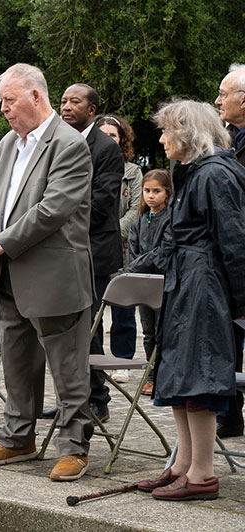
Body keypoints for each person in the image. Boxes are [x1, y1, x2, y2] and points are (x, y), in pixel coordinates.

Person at [0, 63, 94, 482]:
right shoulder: (7, 144)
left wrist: (0, 243)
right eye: (1, 101)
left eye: (10, 100)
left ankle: (74, 446)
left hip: (54, 275)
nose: (4, 109)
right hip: (7, 274)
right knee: (17, 362)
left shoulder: (69, 144)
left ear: (36, 96)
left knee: (67, 366)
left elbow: (53, 209)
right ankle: (19, 436)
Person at [137, 100, 245, 501]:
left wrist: (241, 302)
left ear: (187, 134)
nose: (162, 139)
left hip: (205, 286)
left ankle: (202, 474)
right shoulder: (190, 172)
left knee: (198, 375)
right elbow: (174, 238)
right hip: (186, 283)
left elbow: (234, 241)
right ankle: (182, 464)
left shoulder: (215, 175)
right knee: (179, 375)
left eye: (167, 131)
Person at [60, 83, 124, 424]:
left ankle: (97, 398)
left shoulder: (105, 149)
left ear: (93, 110)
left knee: (88, 328)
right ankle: (71, 397)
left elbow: (102, 204)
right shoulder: (56, 143)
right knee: (64, 328)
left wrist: (56, 220)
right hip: (60, 252)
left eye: (75, 101)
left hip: (93, 251)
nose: (67, 106)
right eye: (64, 101)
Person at [96, 114, 143, 384]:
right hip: (95, 250)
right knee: (94, 313)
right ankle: (98, 362)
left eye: (113, 135)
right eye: (103, 135)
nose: (108, 141)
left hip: (123, 250)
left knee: (123, 312)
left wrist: (111, 234)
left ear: (121, 140)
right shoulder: (88, 166)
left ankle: (122, 361)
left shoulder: (133, 171)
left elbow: (136, 211)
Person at [213, 63, 245, 439]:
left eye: (224, 94)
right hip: (228, 256)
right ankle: (230, 415)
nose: (218, 100)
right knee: (227, 339)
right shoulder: (224, 138)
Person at [126, 169, 172, 396]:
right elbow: (133, 253)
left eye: (157, 191)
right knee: (148, 333)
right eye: (147, 191)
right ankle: (151, 375)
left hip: (163, 284)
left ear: (167, 193)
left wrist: (136, 265)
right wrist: (136, 266)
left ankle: (165, 376)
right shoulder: (138, 222)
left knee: (162, 330)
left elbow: (163, 252)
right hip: (144, 284)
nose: (151, 195)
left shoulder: (171, 219)